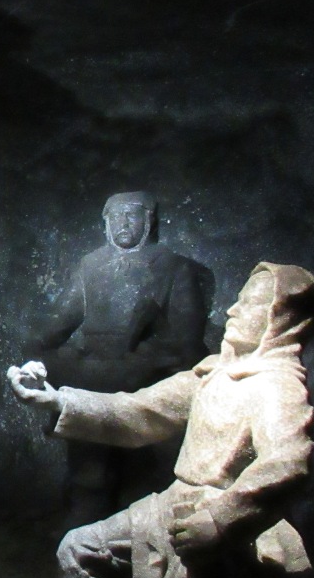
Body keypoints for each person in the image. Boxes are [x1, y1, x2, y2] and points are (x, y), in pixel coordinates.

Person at [9, 263, 314, 578]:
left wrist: (221, 520)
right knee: (82, 549)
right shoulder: (215, 373)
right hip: (173, 507)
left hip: (228, 524)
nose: (234, 310)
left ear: (279, 319)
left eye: (251, 304)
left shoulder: (276, 386)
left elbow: (288, 462)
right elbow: (138, 412)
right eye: (239, 299)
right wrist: (57, 400)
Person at [33, 191, 208, 527]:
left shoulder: (173, 266)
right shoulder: (91, 265)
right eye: (115, 216)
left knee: (142, 471)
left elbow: (187, 338)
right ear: (105, 222)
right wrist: (37, 351)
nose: (122, 223)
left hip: (147, 378)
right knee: (88, 463)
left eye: (131, 215)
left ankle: (139, 527)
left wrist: (144, 356)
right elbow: (60, 322)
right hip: (97, 374)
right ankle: (86, 518)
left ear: (148, 220)